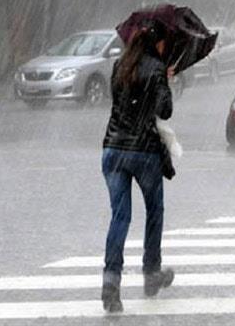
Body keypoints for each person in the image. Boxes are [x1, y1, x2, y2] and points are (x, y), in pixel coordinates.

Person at [100, 19, 175, 313]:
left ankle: (110, 284)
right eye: (164, 44)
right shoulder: (156, 69)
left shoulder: (121, 66)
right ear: (157, 43)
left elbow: (119, 102)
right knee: (154, 212)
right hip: (143, 152)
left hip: (113, 149)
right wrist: (165, 81)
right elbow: (164, 110)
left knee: (120, 217)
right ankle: (151, 273)